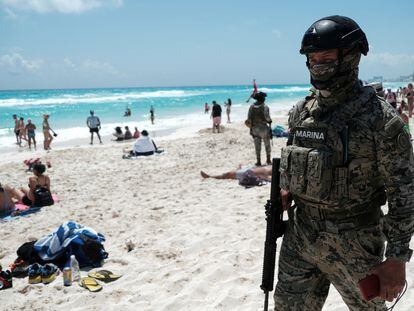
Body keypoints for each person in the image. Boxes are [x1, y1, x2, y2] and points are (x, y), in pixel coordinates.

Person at [274, 16, 414, 311]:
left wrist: (397, 258)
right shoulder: (301, 112)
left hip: (356, 245)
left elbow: (405, 193)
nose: (317, 65)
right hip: (300, 238)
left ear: (351, 56)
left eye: (326, 58)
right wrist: (287, 192)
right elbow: (298, 165)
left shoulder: (380, 119)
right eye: (312, 59)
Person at [245, 92, 272, 166]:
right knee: (267, 145)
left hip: (255, 129)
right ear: (262, 99)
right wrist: (270, 122)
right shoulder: (265, 107)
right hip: (264, 128)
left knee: (257, 146)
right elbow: (267, 118)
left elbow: (249, 119)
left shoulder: (251, 107)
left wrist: (250, 129)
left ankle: (258, 161)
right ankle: (268, 160)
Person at [200, 164, 272, 182]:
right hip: (253, 170)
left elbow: (268, 178)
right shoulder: (272, 168)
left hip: (250, 172)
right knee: (230, 173)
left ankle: (210, 177)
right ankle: (210, 176)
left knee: (228, 174)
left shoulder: (271, 172)